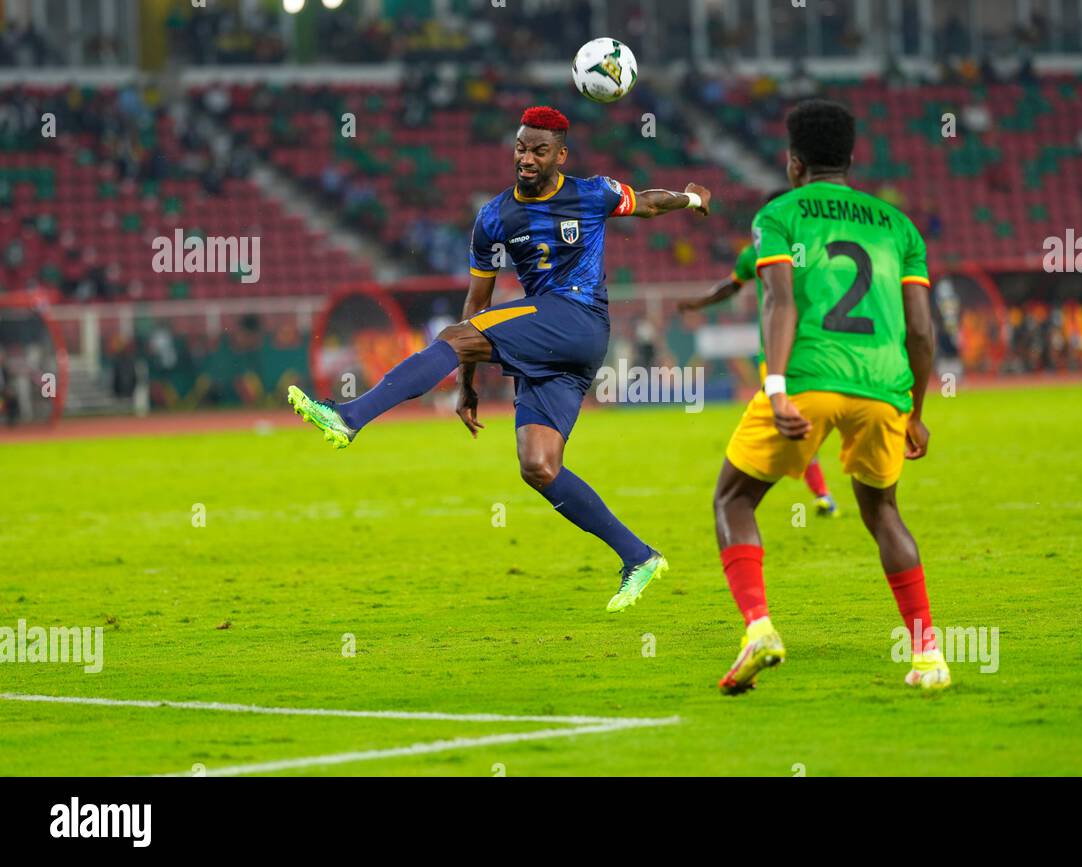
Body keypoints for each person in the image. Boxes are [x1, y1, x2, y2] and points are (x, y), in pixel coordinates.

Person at [287, 106, 712, 613]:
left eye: (538, 150)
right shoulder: (494, 218)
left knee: (452, 335)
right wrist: (466, 384)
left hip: (577, 318)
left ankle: (349, 416)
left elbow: (648, 203)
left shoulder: (592, 192)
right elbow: (477, 304)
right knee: (538, 465)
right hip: (555, 347)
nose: (526, 158)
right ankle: (638, 555)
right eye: (520, 147)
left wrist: (691, 197)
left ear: (560, 155)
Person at [712, 99, 950, 694]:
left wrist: (776, 388)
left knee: (733, 500)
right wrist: (915, 412)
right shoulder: (899, 226)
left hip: (811, 380)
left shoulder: (779, 215)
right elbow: (922, 330)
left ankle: (760, 627)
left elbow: (780, 301)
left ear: (794, 163)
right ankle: (928, 656)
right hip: (884, 388)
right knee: (884, 512)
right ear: (850, 158)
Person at [677, 191, 841, 518]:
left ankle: (747, 495)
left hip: (812, 349)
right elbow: (731, 286)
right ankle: (822, 492)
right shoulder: (759, 253)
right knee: (799, 423)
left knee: (796, 424)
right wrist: (699, 302)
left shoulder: (816, 247)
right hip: (791, 353)